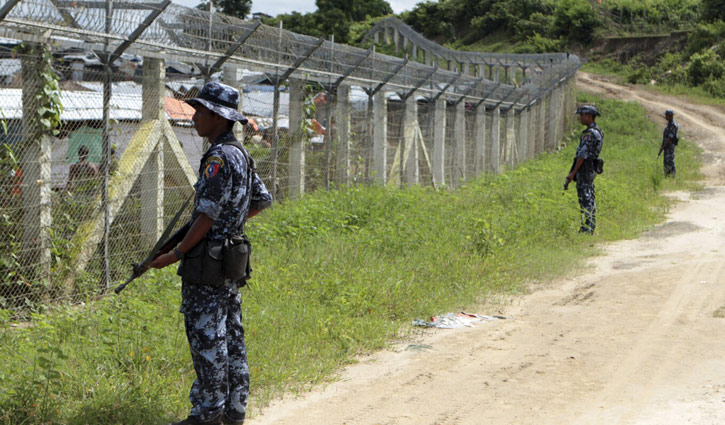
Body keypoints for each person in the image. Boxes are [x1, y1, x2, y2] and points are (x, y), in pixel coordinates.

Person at [149, 81, 273, 425]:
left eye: (200, 111)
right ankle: (233, 410)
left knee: (208, 339)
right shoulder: (241, 154)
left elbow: (206, 214)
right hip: (230, 258)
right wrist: (231, 224)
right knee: (231, 334)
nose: (194, 118)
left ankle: (207, 413)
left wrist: (175, 254)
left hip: (207, 262)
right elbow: (262, 200)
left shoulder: (218, 157)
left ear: (218, 117)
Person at [565, 105, 603, 234]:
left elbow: (582, 155)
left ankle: (588, 228)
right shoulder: (597, 131)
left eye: (582, 115)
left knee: (585, 198)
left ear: (589, 116)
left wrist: (572, 174)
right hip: (590, 169)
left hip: (585, 169)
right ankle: (588, 226)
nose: (580, 118)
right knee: (589, 197)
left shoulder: (589, 133)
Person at [659, 110, 679, 177]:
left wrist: (663, 146)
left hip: (669, 146)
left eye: (666, 115)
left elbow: (670, 137)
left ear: (670, 116)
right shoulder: (669, 124)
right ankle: (667, 176)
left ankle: (673, 176)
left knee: (670, 161)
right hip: (666, 146)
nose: (665, 116)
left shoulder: (673, 125)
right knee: (666, 161)